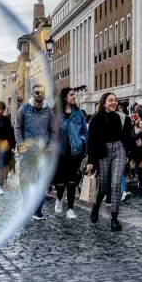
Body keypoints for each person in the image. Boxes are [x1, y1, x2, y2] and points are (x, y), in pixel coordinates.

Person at [86, 92, 132, 231]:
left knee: (116, 183)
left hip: (118, 149)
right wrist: (91, 161)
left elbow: (128, 137)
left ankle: (114, 219)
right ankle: (96, 206)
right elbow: (91, 142)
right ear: (104, 103)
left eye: (116, 100)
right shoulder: (96, 119)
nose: (114, 103)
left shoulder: (122, 118)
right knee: (104, 188)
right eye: (111, 100)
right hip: (102, 152)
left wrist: (127, 153)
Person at [15, 84, 57, 220]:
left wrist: (50, 147)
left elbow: (54, 130)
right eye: (37, 92)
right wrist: (21, 145)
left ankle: (37, 210)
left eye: (42, 92)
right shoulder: (24, 109)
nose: (39, 94)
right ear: (33, 94)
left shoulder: (48, 111)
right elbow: (17, 127)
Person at [53, 88, 87, 219]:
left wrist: (82, 141)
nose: (74, 96)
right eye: (71, 94)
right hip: (60, 152)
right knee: (61, 182)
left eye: (74, 94)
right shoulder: (55, 113)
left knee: (72, 181)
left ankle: (70, 209)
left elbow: (84, 131)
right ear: (64, 97)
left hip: (74, 152)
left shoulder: (78, 113)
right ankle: (59, 198)